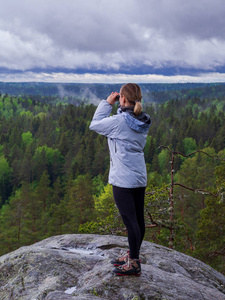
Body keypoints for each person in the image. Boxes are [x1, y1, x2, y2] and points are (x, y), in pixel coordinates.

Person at [89, 83, 151, 276]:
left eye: (120, 98)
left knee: (130, 221)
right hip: (139, 176)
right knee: (138, 221)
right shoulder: (143, 119)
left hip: (123, 179)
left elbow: (95, 124)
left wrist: (107, 103)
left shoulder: (119, 122)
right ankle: (133, 256)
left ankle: (133, 263)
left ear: (123, 99)